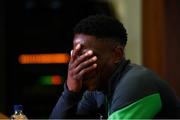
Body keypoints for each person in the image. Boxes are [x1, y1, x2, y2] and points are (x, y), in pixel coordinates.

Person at [49, 15, 180, 119]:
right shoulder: (97, 90)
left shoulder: (136, 84)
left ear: (117, 55)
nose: (80, 65)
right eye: (77, 56)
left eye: (89, 57)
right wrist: (70, 92)